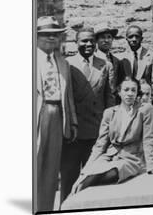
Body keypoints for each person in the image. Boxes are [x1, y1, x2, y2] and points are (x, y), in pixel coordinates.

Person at [70, 78, 153, 195]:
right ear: (119, 92)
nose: (130, 93)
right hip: (109, 156)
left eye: (133, 90)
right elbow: (100, 145)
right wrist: (85, 171)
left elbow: (148, 139)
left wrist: (152, 166)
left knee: (107, 174)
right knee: (87, 177)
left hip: (131, 159)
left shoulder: (144, 110)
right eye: (126, 90)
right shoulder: (109, 113)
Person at [61, 27, 114, 203]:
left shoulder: (104, 64)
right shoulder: (67, 64)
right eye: (84, 41)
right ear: (76, 43)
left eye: (91, 40)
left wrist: (110, 128)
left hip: (96, 132)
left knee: (94, 180)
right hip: (74, 133)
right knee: (69, 178)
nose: (88, 44)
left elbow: (109, 98)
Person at [36, 16, 77, 212]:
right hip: (38, 113)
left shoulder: (62, 63)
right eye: (46, 35)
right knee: (35, 162)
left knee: (51, 168)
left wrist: (73, 122)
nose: (52, 39)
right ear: (36, 37)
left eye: (55, 35)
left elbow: (68, 96)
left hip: (57, 114)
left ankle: (44, 208)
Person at [119, 25, 153, 106]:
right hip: (127, 101)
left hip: (145, 100)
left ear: (141, 39)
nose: (134, 39)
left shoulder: (151, 56)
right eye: (131, 37)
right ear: (126, 39)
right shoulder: (121, 58)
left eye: (137, 37)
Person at [94, 22, 123, 100]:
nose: (106, 40)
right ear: (96, 40)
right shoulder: (92, 59)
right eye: (103, 37)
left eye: (109, 37)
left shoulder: (116, 61)